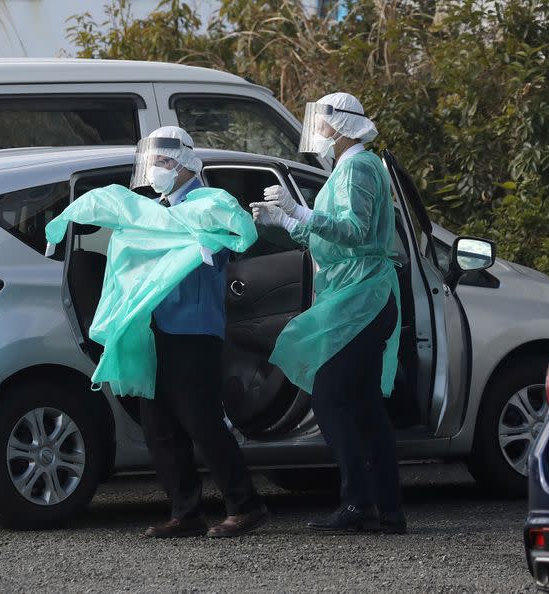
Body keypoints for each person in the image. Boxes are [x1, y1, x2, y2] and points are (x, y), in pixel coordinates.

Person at [250, 93, 406, 534]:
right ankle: (386, 509)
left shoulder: (357, 167)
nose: (317, 131)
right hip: (360, 296)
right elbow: (332, 240)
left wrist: (299, 211)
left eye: (323, 123)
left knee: (331, 397)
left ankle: (360, 504)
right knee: (363, 404)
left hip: (362, 298)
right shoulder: (352, 167)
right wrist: (286, 223)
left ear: (341, 127)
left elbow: (354, 232)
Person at [130, 126, 269, 538]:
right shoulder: (158, 207)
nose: (156, 168)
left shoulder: (210, 202)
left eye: (163, 160)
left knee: (201, 419)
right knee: (158, 423)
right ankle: (185, 510)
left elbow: (232, 240)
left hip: (193, 327)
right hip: (156, 325)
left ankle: (246, 504)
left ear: (185, 162)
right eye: (153, 160)